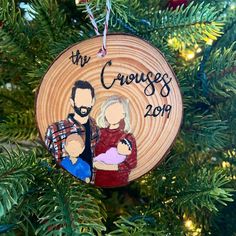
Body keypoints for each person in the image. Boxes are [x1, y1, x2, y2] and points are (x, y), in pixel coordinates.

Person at [44, 80, 99, 180]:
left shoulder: (96, 130)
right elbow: (46, 162)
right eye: (80, 99)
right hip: (64, 189)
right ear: (72, 102)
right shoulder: (55, 130)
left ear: (92, 101)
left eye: (87, 99)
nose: (84, 103)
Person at [93, 95, 137, 187]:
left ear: (123, 115)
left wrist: (105, 167)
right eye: (110, 111)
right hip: (96, 183)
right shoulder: (98, 133)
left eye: (116, 112)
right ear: (104, 112)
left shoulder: (127, 137)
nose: (112, 115)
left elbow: (131, 164)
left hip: (119, 184)